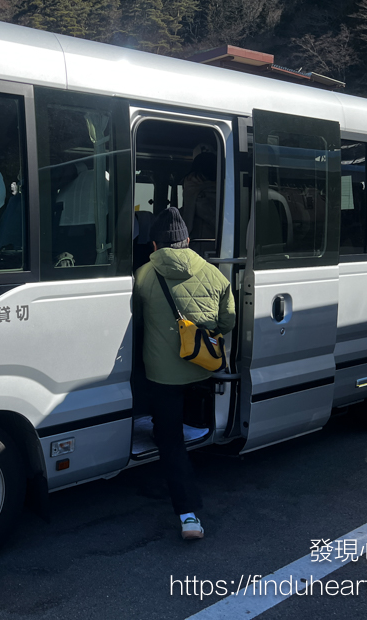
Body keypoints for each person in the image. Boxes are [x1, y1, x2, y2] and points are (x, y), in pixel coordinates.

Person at [133, 207, 235, 540]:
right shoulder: (215, 274)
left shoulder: (144, 275)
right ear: (187, 241)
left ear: (153, 245)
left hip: (162, 377)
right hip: (202, 367)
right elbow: (228, 321)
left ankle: (188, 515)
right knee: (189, 409)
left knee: (170, 441)